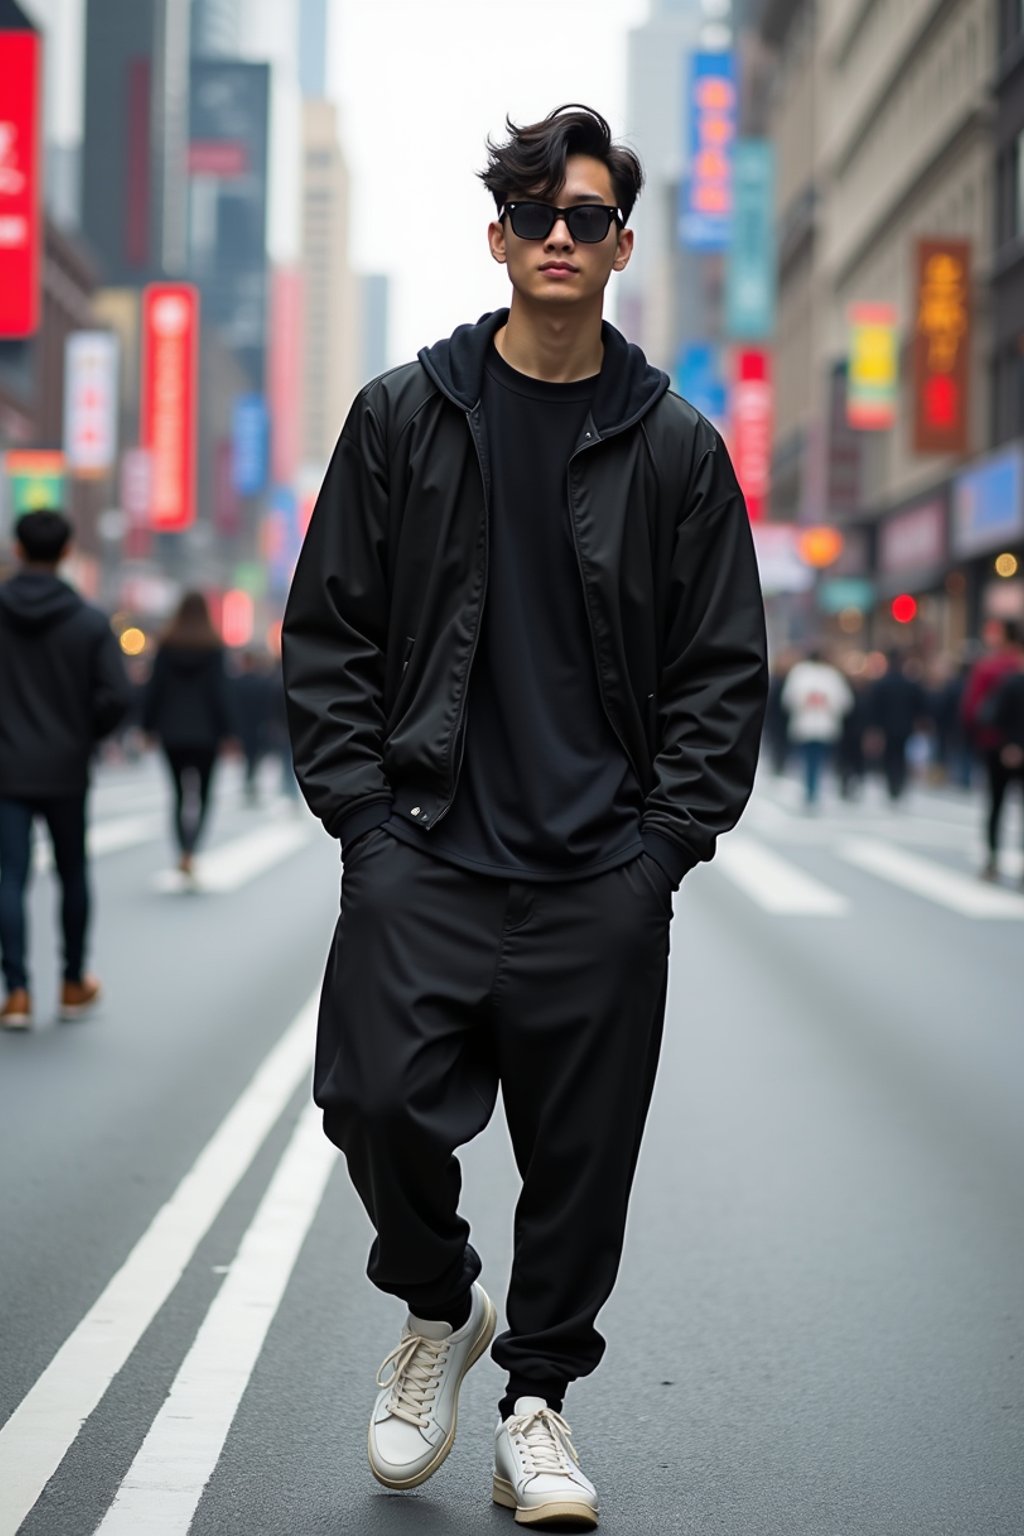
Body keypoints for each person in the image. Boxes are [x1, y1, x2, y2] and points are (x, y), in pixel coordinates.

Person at [283, 104, 768, 1528]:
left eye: (592, 218)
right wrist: (366, 827)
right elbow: (329, 636)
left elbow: (721, 667)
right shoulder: (401, 416)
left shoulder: (676, 447)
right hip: (424, 848)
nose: (563, 237)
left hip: (596, 873)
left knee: (582, 1160)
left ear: (620, 246)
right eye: (539, 216)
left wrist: (661, 851)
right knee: (368, 1100)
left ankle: (538, 1405)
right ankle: (440, 1307)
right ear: (499, 237)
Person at [0, 510, 131, 1029]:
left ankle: (16, 993)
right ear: (68, 550)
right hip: (66, 767)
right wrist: (83, 733)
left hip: (5, 766)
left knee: (10, 876)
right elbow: (118, 696)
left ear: (17, 546)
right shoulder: (89, 621)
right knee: (72, 872)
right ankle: (73, 984)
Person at [143, 591, 234, 881]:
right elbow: (221, 693)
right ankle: (192, 849)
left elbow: (153, 689)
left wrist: (147, 727)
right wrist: (229, 731)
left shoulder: (166, 646)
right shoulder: (214, 648)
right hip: (207, 733)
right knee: (204, 795)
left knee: (179, 795)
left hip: (172, 731)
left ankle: (182, 849)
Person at [976, 628, 1024, 882]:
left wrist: (1008, 743)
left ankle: (992, 862)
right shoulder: (1009, 680)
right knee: (998, 806)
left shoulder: (1008, 680)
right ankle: (994, 861)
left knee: (996, 806)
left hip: (1002, 751)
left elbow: (987, 716)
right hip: (1005, 751)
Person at [781, 646, 854, 807]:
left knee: (811, 759)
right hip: (815, 725)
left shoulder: (801, 673)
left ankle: (811, 789)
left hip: (816, 725)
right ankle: (812, 789)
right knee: (815, 760)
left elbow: (788, 699)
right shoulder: (829, 675)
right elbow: (845, 702)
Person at [866, 650, 926, 802]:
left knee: (889, 756)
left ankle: (892, 784)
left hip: (886, 727)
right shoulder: (910, 684)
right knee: (900, 755)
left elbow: (873, 708)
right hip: (905, 726)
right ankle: (899, 782)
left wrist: (874, 728)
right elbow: (920, 706)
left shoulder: (881, 684)